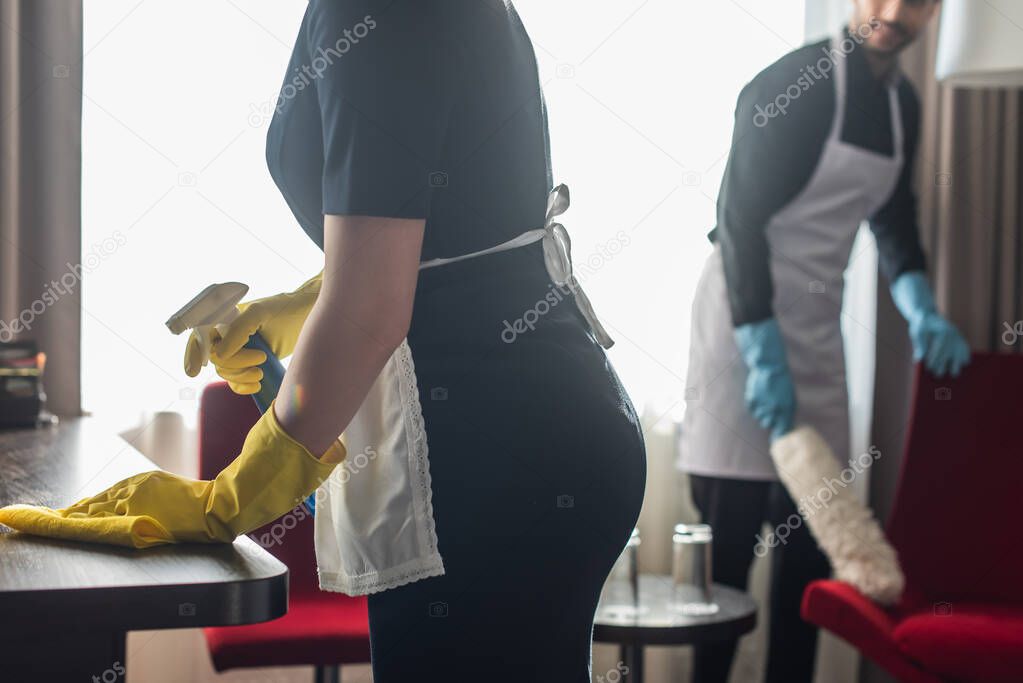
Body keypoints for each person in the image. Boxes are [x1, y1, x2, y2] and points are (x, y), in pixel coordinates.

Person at [0, 1, 646, 681]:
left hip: (494, 460)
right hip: (536, 425)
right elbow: (453, 229)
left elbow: (370, 308)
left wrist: (233, 496)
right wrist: (307, 304)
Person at [678, 1, 967, 681]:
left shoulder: (902, 106)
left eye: (919, 2)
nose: (895, 12)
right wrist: (760, 350)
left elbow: (893, 223)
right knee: (725, 563)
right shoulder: (789, 87)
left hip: (814, 334)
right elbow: (738, 218)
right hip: (739, 325)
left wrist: (921, 306)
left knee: (809, 560)